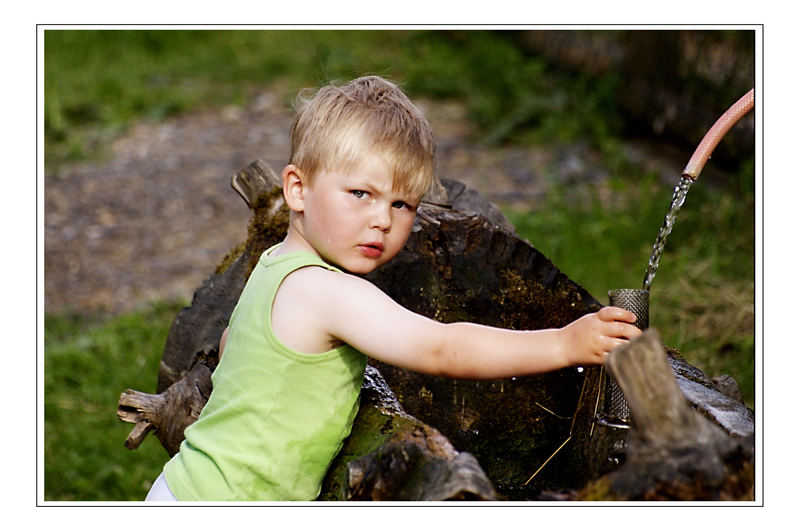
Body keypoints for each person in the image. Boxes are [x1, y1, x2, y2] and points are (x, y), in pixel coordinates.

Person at [145, 75, 641, 502]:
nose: (381, 220)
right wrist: (562, 342)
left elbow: (235, 343)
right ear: (296, 189)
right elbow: (443, 347)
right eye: (360, 194)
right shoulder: (328, 292)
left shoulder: (276, 265)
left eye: (402, 204)